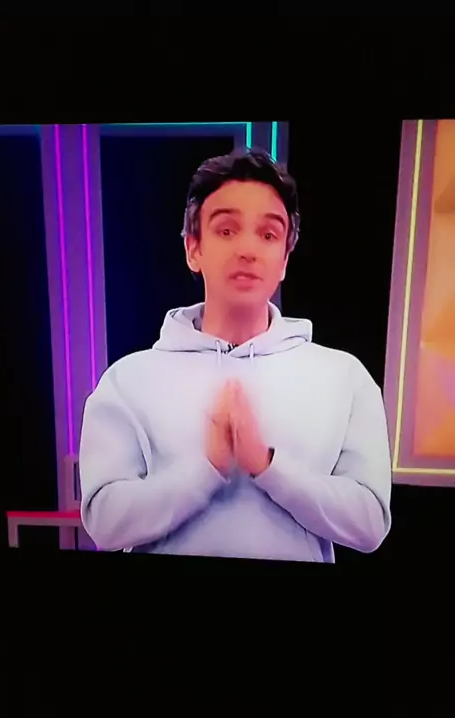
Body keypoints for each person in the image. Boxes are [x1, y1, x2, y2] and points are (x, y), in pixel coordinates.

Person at [79, 148, 392, 562]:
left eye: (268, 235)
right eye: (227, 230)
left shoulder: (344, 377)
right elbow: (104, 522)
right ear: (193, 248)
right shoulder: (128, 379)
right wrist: (206, 469)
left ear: (285, 259)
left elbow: (370, 524)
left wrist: (268, 466)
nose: (247, 249)